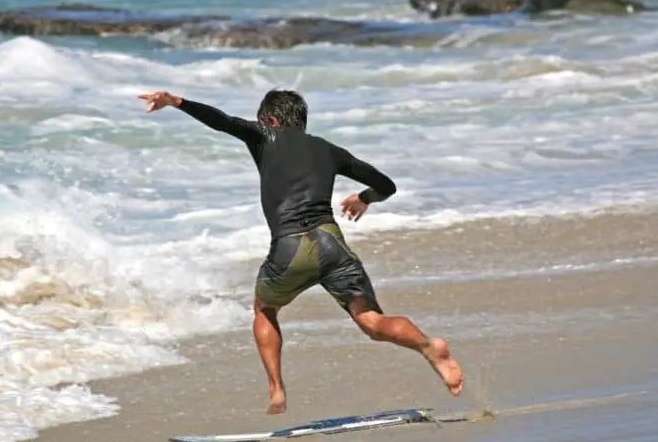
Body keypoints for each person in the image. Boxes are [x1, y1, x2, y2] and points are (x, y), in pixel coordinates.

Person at [139, 88, 463, 414]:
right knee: (372, 321)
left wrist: (176, 102)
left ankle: (277, 390)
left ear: (273, 120)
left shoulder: (264, 135)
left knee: (265, 310)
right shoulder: (328, 150)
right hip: (330, 242)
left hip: (289, 246)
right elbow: (386, 185)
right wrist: (364, 198)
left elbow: (221, 121)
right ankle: (427, 345)